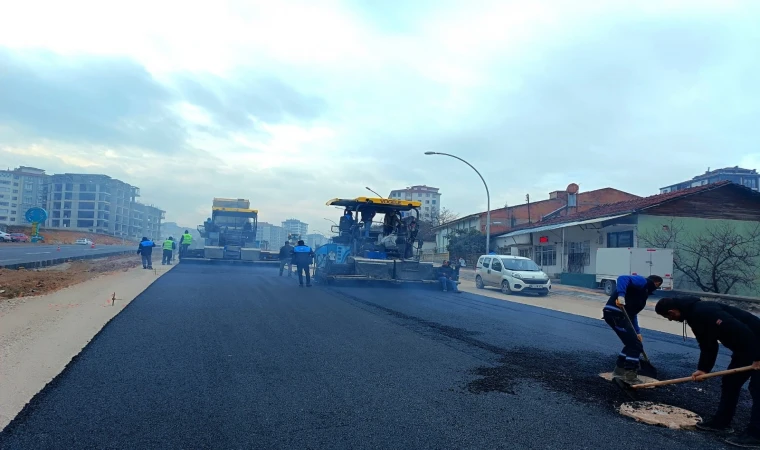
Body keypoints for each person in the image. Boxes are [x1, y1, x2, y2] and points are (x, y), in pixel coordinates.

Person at [655, 296, 760, 447]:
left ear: (673, 311)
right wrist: (703, 369)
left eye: (669, 316)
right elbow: (708, 345)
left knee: (757, 388)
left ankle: (756, 435)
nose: (671, 320)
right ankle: (721, 423)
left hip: (756, 346)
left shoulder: (705, 311)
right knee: (730, 382)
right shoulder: (694, 317)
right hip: (746, 350)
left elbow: (742, 331)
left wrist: (757, 357)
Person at [601, 274, 663, 385]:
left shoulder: (642, 294)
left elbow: (632, 314)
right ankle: (630, 375)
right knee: (635, 345)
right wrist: (621, 295)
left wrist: (637, 332)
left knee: (632, 343)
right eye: (658, 286)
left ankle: (619, 371)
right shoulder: (643, 282)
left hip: (621, 316)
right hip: (615, 314)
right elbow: (623, 278)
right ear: (656, 283)